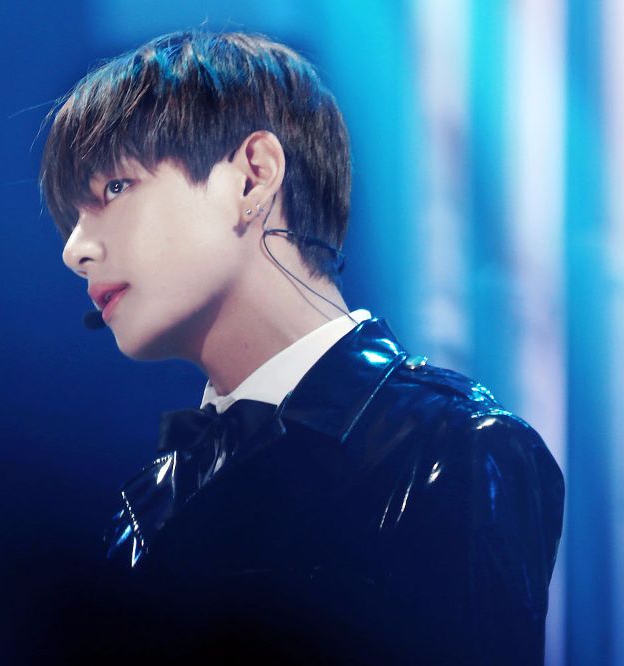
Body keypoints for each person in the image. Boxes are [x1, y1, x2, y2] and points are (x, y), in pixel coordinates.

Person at [38, 29, 565, 664]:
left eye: (115, 189)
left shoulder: (453, 449)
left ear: (253, 177)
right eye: (72, 219)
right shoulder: (149, 499)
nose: (75, 250)